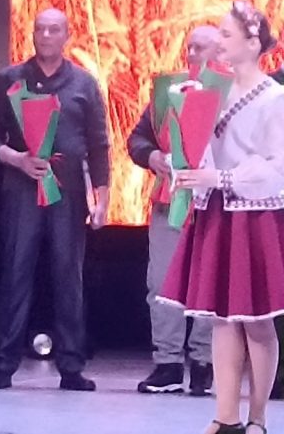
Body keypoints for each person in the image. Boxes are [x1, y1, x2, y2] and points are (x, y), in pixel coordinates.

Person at [160, 0, 284, 434]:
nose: (220, 41)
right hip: (216, 210)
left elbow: (277, 164)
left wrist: (223, 176)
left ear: (253, 44)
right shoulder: (208, 92)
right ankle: (225, 415)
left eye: (227, 35)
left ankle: (258, 417)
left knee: (256, 318)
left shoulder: (274, 98)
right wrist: (184, 167)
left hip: (254, 214)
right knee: (223, 317)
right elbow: (191, 148)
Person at [0, 8, 111, 392]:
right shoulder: (10, 79)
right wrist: (17, 159)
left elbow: (99, 145)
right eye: (41, 29)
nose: (47, 35)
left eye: (55, 30)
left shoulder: (84, 83)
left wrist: (102, 199)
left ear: (67, 36)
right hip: (21, 188)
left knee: (69, 276)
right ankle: (3, 364)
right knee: (15, 273)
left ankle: (71, 366)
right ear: (32, 34)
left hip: (68, 192)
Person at [127, 25, 219, 396]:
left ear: (221, 53)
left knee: (212, 284)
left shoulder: (235, 94)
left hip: (216, 204)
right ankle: (167, 363)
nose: (192, 53)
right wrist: (151, 156)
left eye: (200, 47)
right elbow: (137, 138)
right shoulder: (169, 91)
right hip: (170, 201)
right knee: (162, 282)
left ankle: (204, 362)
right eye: (189, 46)